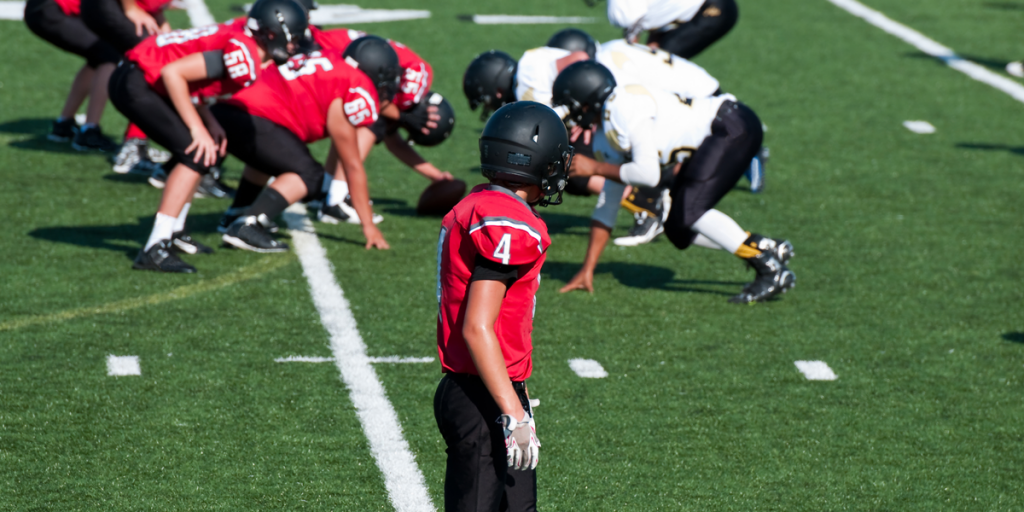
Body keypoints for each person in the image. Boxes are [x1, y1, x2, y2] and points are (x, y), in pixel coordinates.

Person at [552, 61, 795, 303]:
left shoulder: (621, 107)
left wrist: (595, 168)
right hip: (720, 133)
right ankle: (764, 247)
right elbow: (608, 204)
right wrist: (587, 269)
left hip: (731, 125)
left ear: (588, 101)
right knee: (678, 229)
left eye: (572, 105)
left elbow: (648, 175)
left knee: (690, 211)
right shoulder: (606, 131)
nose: (572, 114)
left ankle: (769, 268)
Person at [434, 101, 571, 512]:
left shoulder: (484, 203)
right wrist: (513, 412)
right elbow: (477, 327)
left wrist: (518, 395)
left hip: (494, 389)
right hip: (481, 398)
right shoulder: (506, 222)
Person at [124, 0, 308, 272]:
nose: (294, 45)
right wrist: (197, 127)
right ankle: (155, 246)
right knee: (194, 154)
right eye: (292, 38)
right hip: (139, 79)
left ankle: (173, 232)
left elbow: (195, 85)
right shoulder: (243, 53)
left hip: (142, 77)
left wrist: (208, 121)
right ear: (271, 33)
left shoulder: (246, 46)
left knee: (203, 152)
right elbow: (173, 73)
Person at [212, 35, 400, 253]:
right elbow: (352, 166)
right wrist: (368, 225)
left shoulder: (330, 59)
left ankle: (237, 212)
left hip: (228, 111)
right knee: (310, 175)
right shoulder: (351, 84)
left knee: (273, 156)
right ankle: (247, 226)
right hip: (253, 116)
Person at [81, 0, 174, 175]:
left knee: (158, 57)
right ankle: (133, 147)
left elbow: (156, 10)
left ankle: (136, 144)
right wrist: (130, 9)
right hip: (107, 7)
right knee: (152, 62)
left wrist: (169, 39)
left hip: (105, 7)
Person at [23, 0, 122, 151]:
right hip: (50, 9)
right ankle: (90, 131)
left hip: (43, 8)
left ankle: (64, 124)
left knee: (99, 55)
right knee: (110, 55)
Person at [606, 0, 738, 59]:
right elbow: (661, 14)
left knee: (658, 66)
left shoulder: (622, 6)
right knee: (657, 63)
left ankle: (721, 105)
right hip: (720, 7)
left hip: (712, 11)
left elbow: (630, 44)